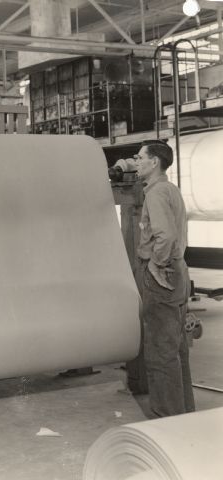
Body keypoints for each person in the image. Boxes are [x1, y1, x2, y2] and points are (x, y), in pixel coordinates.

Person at [118, 140, 195, 417]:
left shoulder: (155, 194)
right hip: (178, 271)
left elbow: (165, 236)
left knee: (160, 352)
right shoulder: (170, 189)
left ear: (154, 163)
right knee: (176, 349)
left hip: (162, 274)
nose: (135, 162)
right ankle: (183, 413)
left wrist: (154, 265)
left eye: (140, 158)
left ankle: (166, 417)